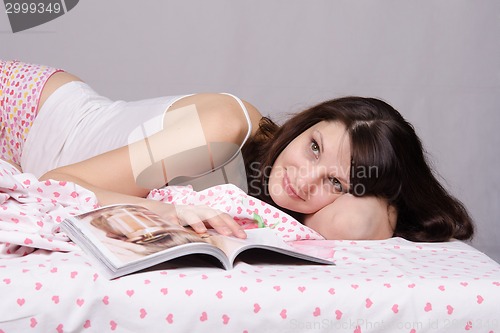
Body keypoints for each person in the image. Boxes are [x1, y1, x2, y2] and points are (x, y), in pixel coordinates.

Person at [0, 60, 474, 242]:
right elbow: (56, 185)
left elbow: (356, 227)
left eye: (336, 182)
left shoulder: (265, 197)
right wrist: (167, 213)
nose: (304, 180)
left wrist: (375, 202)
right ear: (304, 125)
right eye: (313, 148)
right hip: (21, 113)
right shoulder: (222, 127)